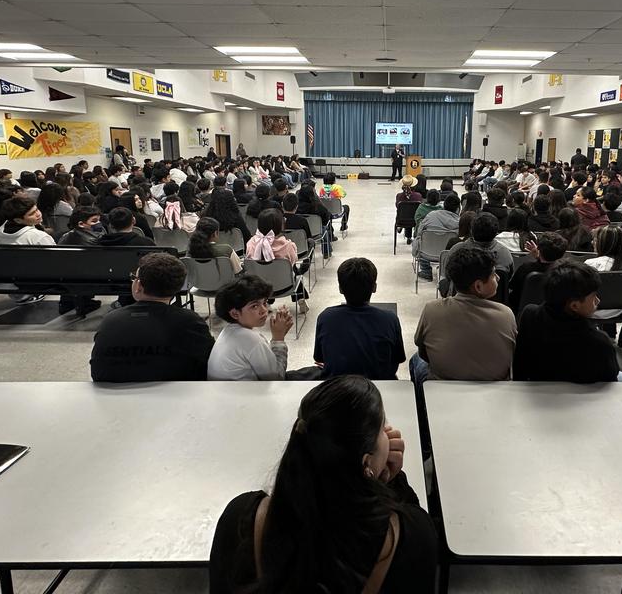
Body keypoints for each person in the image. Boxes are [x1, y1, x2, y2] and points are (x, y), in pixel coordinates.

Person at [209, 375, 437, 592]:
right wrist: (392, 484)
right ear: (366, 463)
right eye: (382, 428)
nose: (389, 432)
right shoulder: (411, 537)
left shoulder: (239, 520)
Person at [90, 252, 213, 382]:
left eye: (134, 277)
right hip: (179, 392)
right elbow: (210, 362)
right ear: (178, 287)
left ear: (138, 286)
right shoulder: (191, 321)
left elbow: (98, 370)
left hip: (114, 393)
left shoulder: (111, 320)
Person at [411, 246, 516, 382]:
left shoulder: (431, 310)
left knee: (416, 360)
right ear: (478, 286)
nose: (498, 277)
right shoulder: (506, 315)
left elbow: (423, 352)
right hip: (494, 389)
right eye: (493, 274)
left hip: (442, 388)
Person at [513, 260, 620, 383]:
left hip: (535, 389)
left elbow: (519, 368)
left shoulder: (529, 316)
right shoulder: (600, 343)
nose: (598, 300)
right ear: (574, 305)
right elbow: (610, 381)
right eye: (593, 296)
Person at [313, 258, 404, 380]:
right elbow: (396, 361)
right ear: (374, 287)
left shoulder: (325, 317)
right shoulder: (390, 319)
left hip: (336, 386)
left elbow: (319, 358)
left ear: (340, 289)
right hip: (379, 387)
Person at [207, 275, 293, 380]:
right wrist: (278, 338)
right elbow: (276, 379)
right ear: (234, 313)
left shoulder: (227, 331)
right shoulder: (252, 340)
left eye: (264, 303)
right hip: (248, 391)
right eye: (254, 306)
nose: (264, 310)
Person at [508, 231, 567, 313]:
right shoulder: (565, 271)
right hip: (553, 313)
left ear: (538, 248)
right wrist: (538, 257)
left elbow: (513, 288)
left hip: (523, 312)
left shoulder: (525, 268)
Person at [413, 193, 461, 281]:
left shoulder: (431, 215)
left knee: (419, 240)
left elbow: (419, 232)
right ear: (458, 209)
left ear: (444, 205)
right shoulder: (459, 223)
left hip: (426, 252)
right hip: (448, 254)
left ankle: (426, 270)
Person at [448, 211, 514, 274]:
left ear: (471, 230)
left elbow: (447, 274)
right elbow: (509, 276)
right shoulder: (504, 254)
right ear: (496, 233)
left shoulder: (456, 250)